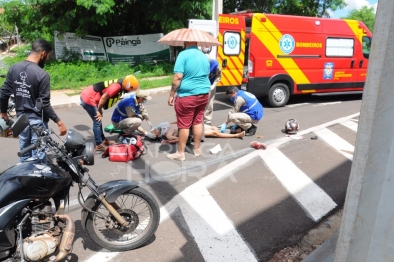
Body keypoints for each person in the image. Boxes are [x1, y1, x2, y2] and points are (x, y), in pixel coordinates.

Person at [0, 39, 67, 161]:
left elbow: (3, 93)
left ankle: (23, 179)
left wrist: (3, 112)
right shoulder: (42, 75)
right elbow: (45, 104)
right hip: (37, 122)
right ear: (43, 53)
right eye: (47, 56)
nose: (47, 59)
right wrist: (59, 122)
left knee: (24, 155)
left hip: (21, 122)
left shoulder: (14, 68)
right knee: (38, 160)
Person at [167, 41, 210, 161]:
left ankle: (180, 153)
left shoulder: (183, 55)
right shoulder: (204, 56)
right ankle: (197, 149)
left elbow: (178, 77)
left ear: (185, 42)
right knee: (197, 121)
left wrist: (171, 95)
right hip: (204, 93)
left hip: (187, 95)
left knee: (184, 124)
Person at [80, 74, 139, 151]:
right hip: (88, 98)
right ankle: (99, 144)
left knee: (98, 120)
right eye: (131, 89)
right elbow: (104, 97)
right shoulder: (116, 87)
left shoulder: (121, 85)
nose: (130, 91)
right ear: (128, 86)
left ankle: (103, 140)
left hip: (90, 96)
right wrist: (99, 110)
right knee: (97, 120)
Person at [152, 122, 245, 145]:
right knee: (213, 132)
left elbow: (176, 122)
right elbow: (179, 139)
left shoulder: (165, 125)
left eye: (154, 129)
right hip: (191, 131)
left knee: (213, 128)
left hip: (190, 125)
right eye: (154, 131)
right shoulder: (167, 134)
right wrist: (168, 141)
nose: (155, 129)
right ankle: (236, 135)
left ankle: (234, 131)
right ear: (158, 135)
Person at [203, 54, 222, 125]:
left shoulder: (215, 65)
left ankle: (207, 121)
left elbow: (219, 76)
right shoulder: (199, 63)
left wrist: (213, 85)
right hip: (200, 85)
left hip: (210, 85)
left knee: (209, 103)